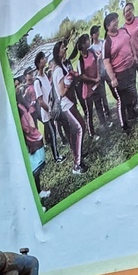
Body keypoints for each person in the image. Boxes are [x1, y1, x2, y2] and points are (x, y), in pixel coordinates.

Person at [52, 39, 86, 175]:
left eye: (65, 47)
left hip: (70, 102)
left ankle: (78, 154)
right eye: (62, 48)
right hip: (66, 104)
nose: (65, 49)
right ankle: (77, 165)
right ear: (57, 52)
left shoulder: (63, 66)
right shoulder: (58, 70)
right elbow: (61, 92)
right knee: (80, 127)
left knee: (76, 130)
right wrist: (70, 80)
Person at [103, 11, 138, 131]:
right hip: (119, 74)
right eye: (113, 20)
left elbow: (130, 43)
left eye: (116, 19)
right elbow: (106, 62)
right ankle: (124, 125)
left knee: (133, 93)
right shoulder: (107, 42)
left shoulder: (123, 31)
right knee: (122, 100)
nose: (116, 21)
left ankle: (132, 113)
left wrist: (134, 55)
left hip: (130, 68)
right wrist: (113, 78)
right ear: (108, 26)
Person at [75, 33, 108, 137]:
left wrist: (98, 77)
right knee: (89, 112)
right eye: (87, 41)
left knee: (99, 105)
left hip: (96, 85)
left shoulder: (92, 52)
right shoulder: (80, 61)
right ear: (83, 45)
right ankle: (91, 133)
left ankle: (104, 124)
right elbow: (81, 76)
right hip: (88, 90)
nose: (89, 42)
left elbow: (97, 63)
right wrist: (93, 80)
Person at [18, 99, 51, 201]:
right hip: (28, 141)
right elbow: (26, 127)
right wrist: (32, 131)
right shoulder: (18, 108)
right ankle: (35, 197)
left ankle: (39, 192)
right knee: (32, 171)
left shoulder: (20, 104)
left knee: (35, 169)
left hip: (31, 138)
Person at [33, 49, 62, 164]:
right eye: (42, 58)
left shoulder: (45, 76)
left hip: (53, 108)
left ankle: (58, 154)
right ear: (38, 63)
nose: (45, 60)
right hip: (47, 113)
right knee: (53, 134)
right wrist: (50, 110)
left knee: (56, 130)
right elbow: (40, 101)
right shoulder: (37, 82)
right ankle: (56, 157)